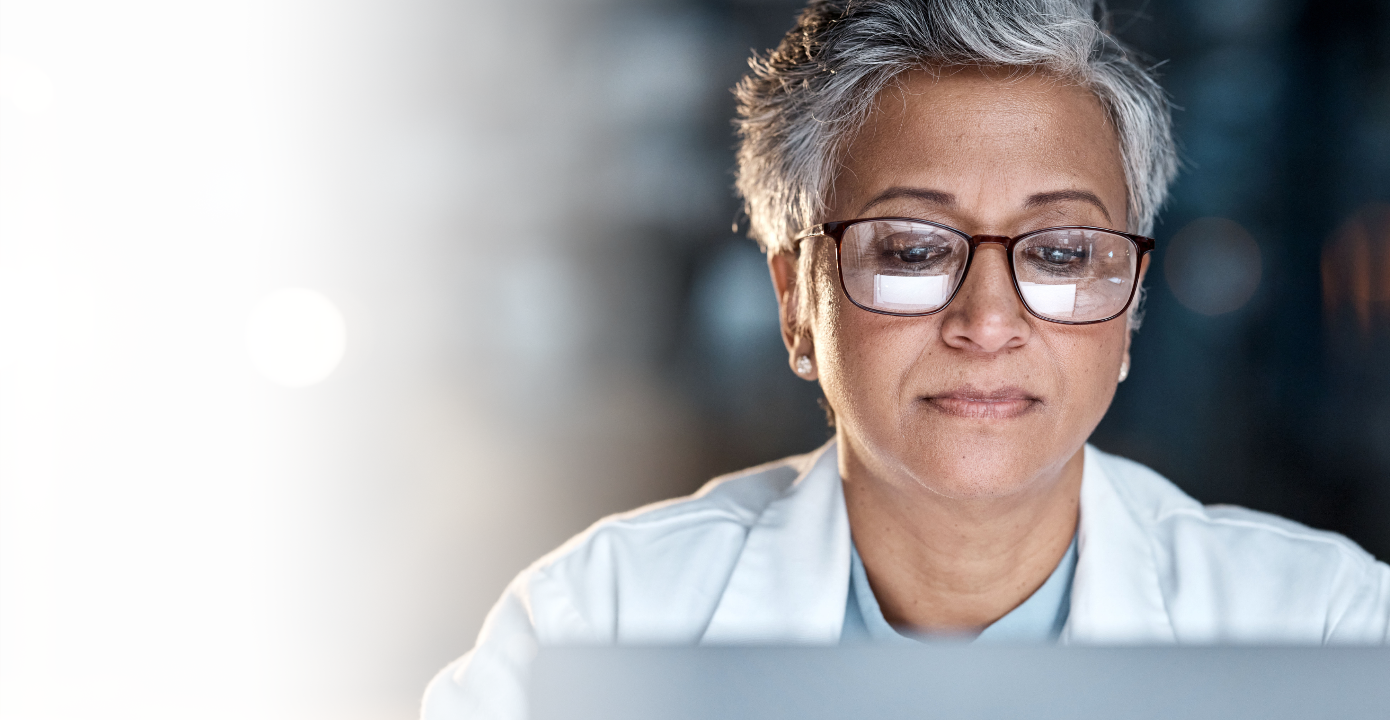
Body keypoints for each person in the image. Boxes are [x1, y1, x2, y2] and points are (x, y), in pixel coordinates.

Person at [423, 1, 1390, 717]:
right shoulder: (595, 624)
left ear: (1130, 309)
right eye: (912, 249)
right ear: (796, 304)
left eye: (1059, 255)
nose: (987, 319)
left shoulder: (1332, 630)